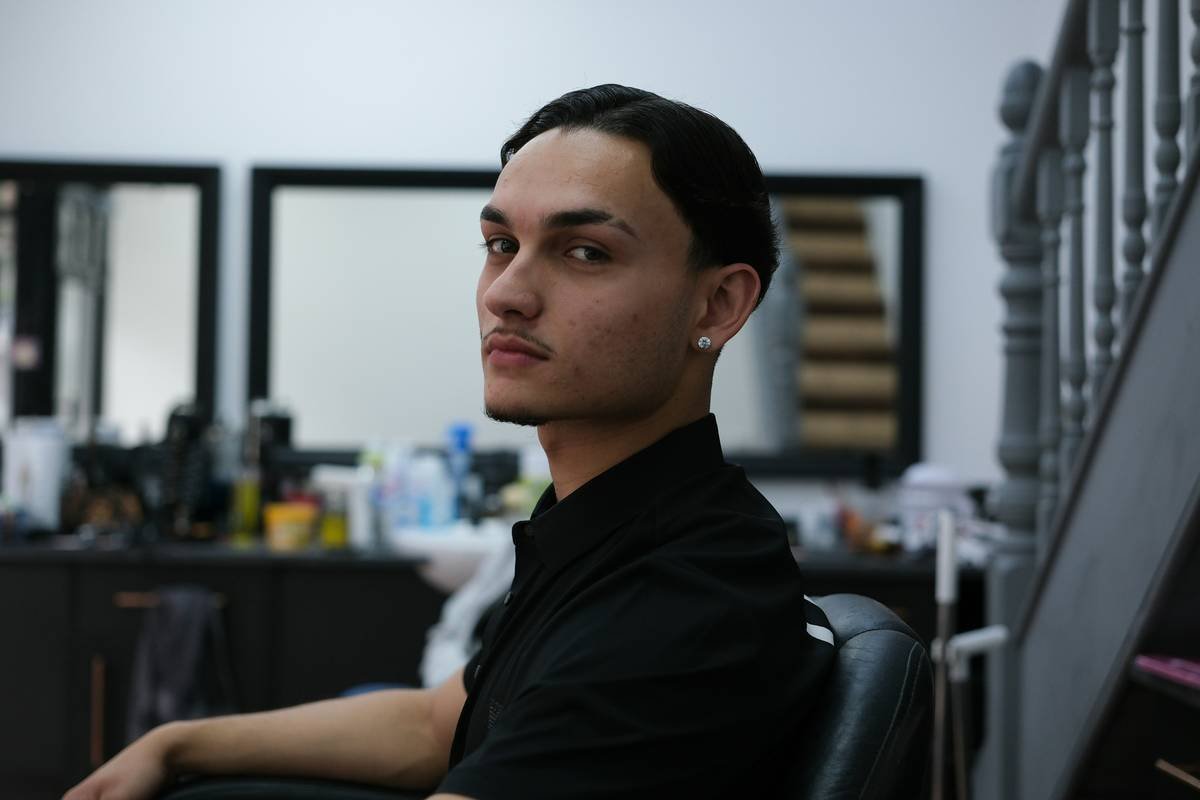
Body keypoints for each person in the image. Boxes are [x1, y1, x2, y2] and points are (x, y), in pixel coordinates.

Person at [64, 84, 835, 800]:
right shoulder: (611, 528)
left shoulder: (681, 604)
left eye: (586, 252)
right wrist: (177, 743)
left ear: (718, 303)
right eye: (501, 244)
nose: (507, 293)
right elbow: (437, 725)